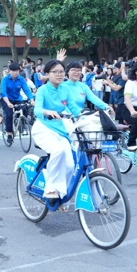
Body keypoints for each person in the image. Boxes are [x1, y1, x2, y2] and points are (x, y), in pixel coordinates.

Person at [32, 59, 83, 200]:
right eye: (55, 72)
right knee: (58, 151)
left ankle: (62, 195)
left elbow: (73, 107)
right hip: (43, 128)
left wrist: (90, 114)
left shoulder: (65, 89)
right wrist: (47, 112)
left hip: (60, 130)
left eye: (61, 72)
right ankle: (50, 188)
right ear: (47, 74)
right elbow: (37, 110)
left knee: (70, 165)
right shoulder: (42, 90)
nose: (59, 74)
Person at [0, 62, 35, 144]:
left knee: (25, 109)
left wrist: (32, 100)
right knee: (9, 115)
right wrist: (8, 103)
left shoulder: (21, 79)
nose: (15, 73)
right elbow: (3, 92)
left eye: (17, 71)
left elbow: (27, 90)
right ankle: (9, 133)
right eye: (13, 71)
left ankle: (21, 122)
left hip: (17, 98)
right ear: (9, 71)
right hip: (6, 99)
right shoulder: (5, 79)